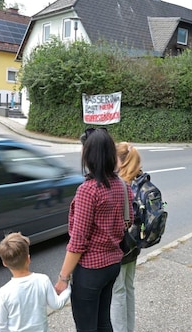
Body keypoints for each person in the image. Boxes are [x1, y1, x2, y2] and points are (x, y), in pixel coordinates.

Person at [55, 128, 134, 332]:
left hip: (90, 270)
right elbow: (129, 221)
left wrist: (63, 278)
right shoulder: (123, 186)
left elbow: (77, 242)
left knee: (86, 327)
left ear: (90, 155)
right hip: (113, 264)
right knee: (103, 322)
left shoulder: (88, 190)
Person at [0, 232, 71, 332]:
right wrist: (69, 288)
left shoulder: (4, 292)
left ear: (4, 263)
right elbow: (56, 304)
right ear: (28, 259)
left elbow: (0, 326)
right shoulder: (43, 280)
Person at [110, 141, 143, 332]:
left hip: (122, 244)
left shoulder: (121, 184)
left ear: (120, 161)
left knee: (118, 291)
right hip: (135, 242)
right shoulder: (139, 180)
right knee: (129, 288)